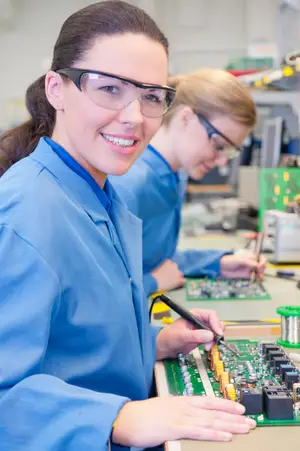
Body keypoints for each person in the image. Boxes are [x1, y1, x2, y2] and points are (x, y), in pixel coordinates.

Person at [0, 3, 256, 450]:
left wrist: (153, 342)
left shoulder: (100, 193)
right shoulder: (23, 213)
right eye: (109, 89)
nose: (134, 117)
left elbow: (74, 341)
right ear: (57, 89)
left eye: (152, 96)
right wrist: (119, 416)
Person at [111, 69, 266, 296]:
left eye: (230, 152)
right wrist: (152, 282)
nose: (222, 160)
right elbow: (95, 294)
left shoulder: (175, 176)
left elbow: (158, 260)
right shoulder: (129, 183)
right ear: (186, 118)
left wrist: (218, 263)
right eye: (219, 145)